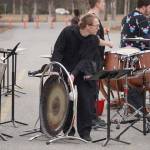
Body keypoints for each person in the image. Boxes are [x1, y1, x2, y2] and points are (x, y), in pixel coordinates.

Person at [51, 14, 113, 141]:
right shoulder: (68, 32)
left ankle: (85, 132)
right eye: (96, 26)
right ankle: (68, 130)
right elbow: (58, 50)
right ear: (88, 26)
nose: (98, 28)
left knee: (87, 99)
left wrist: (74, 74)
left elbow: (85, 60)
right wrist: (56, 70)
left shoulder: (92, 39)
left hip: (84, 69)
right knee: (66, 99)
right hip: (65, 67)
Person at [120, 0, 150, 112]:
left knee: (133, 81)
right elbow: (148, 39)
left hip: (126, 58)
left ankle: (134, 108)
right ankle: (141, 109)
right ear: (145, 7)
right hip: (140, 58)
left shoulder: (125, 17)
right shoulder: (142, 19)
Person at [88, 0, 110, 127]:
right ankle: (91, 118)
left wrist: (102, 30)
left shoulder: (94, 17)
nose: (104, 4)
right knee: (92, 88)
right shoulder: (91, 16)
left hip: (96, 57)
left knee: (95, 88)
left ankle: (93, 116)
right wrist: (107, 43)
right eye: (102, 1)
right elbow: (93, 39)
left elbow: (95, 33)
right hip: (92, 58)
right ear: (96, 3)